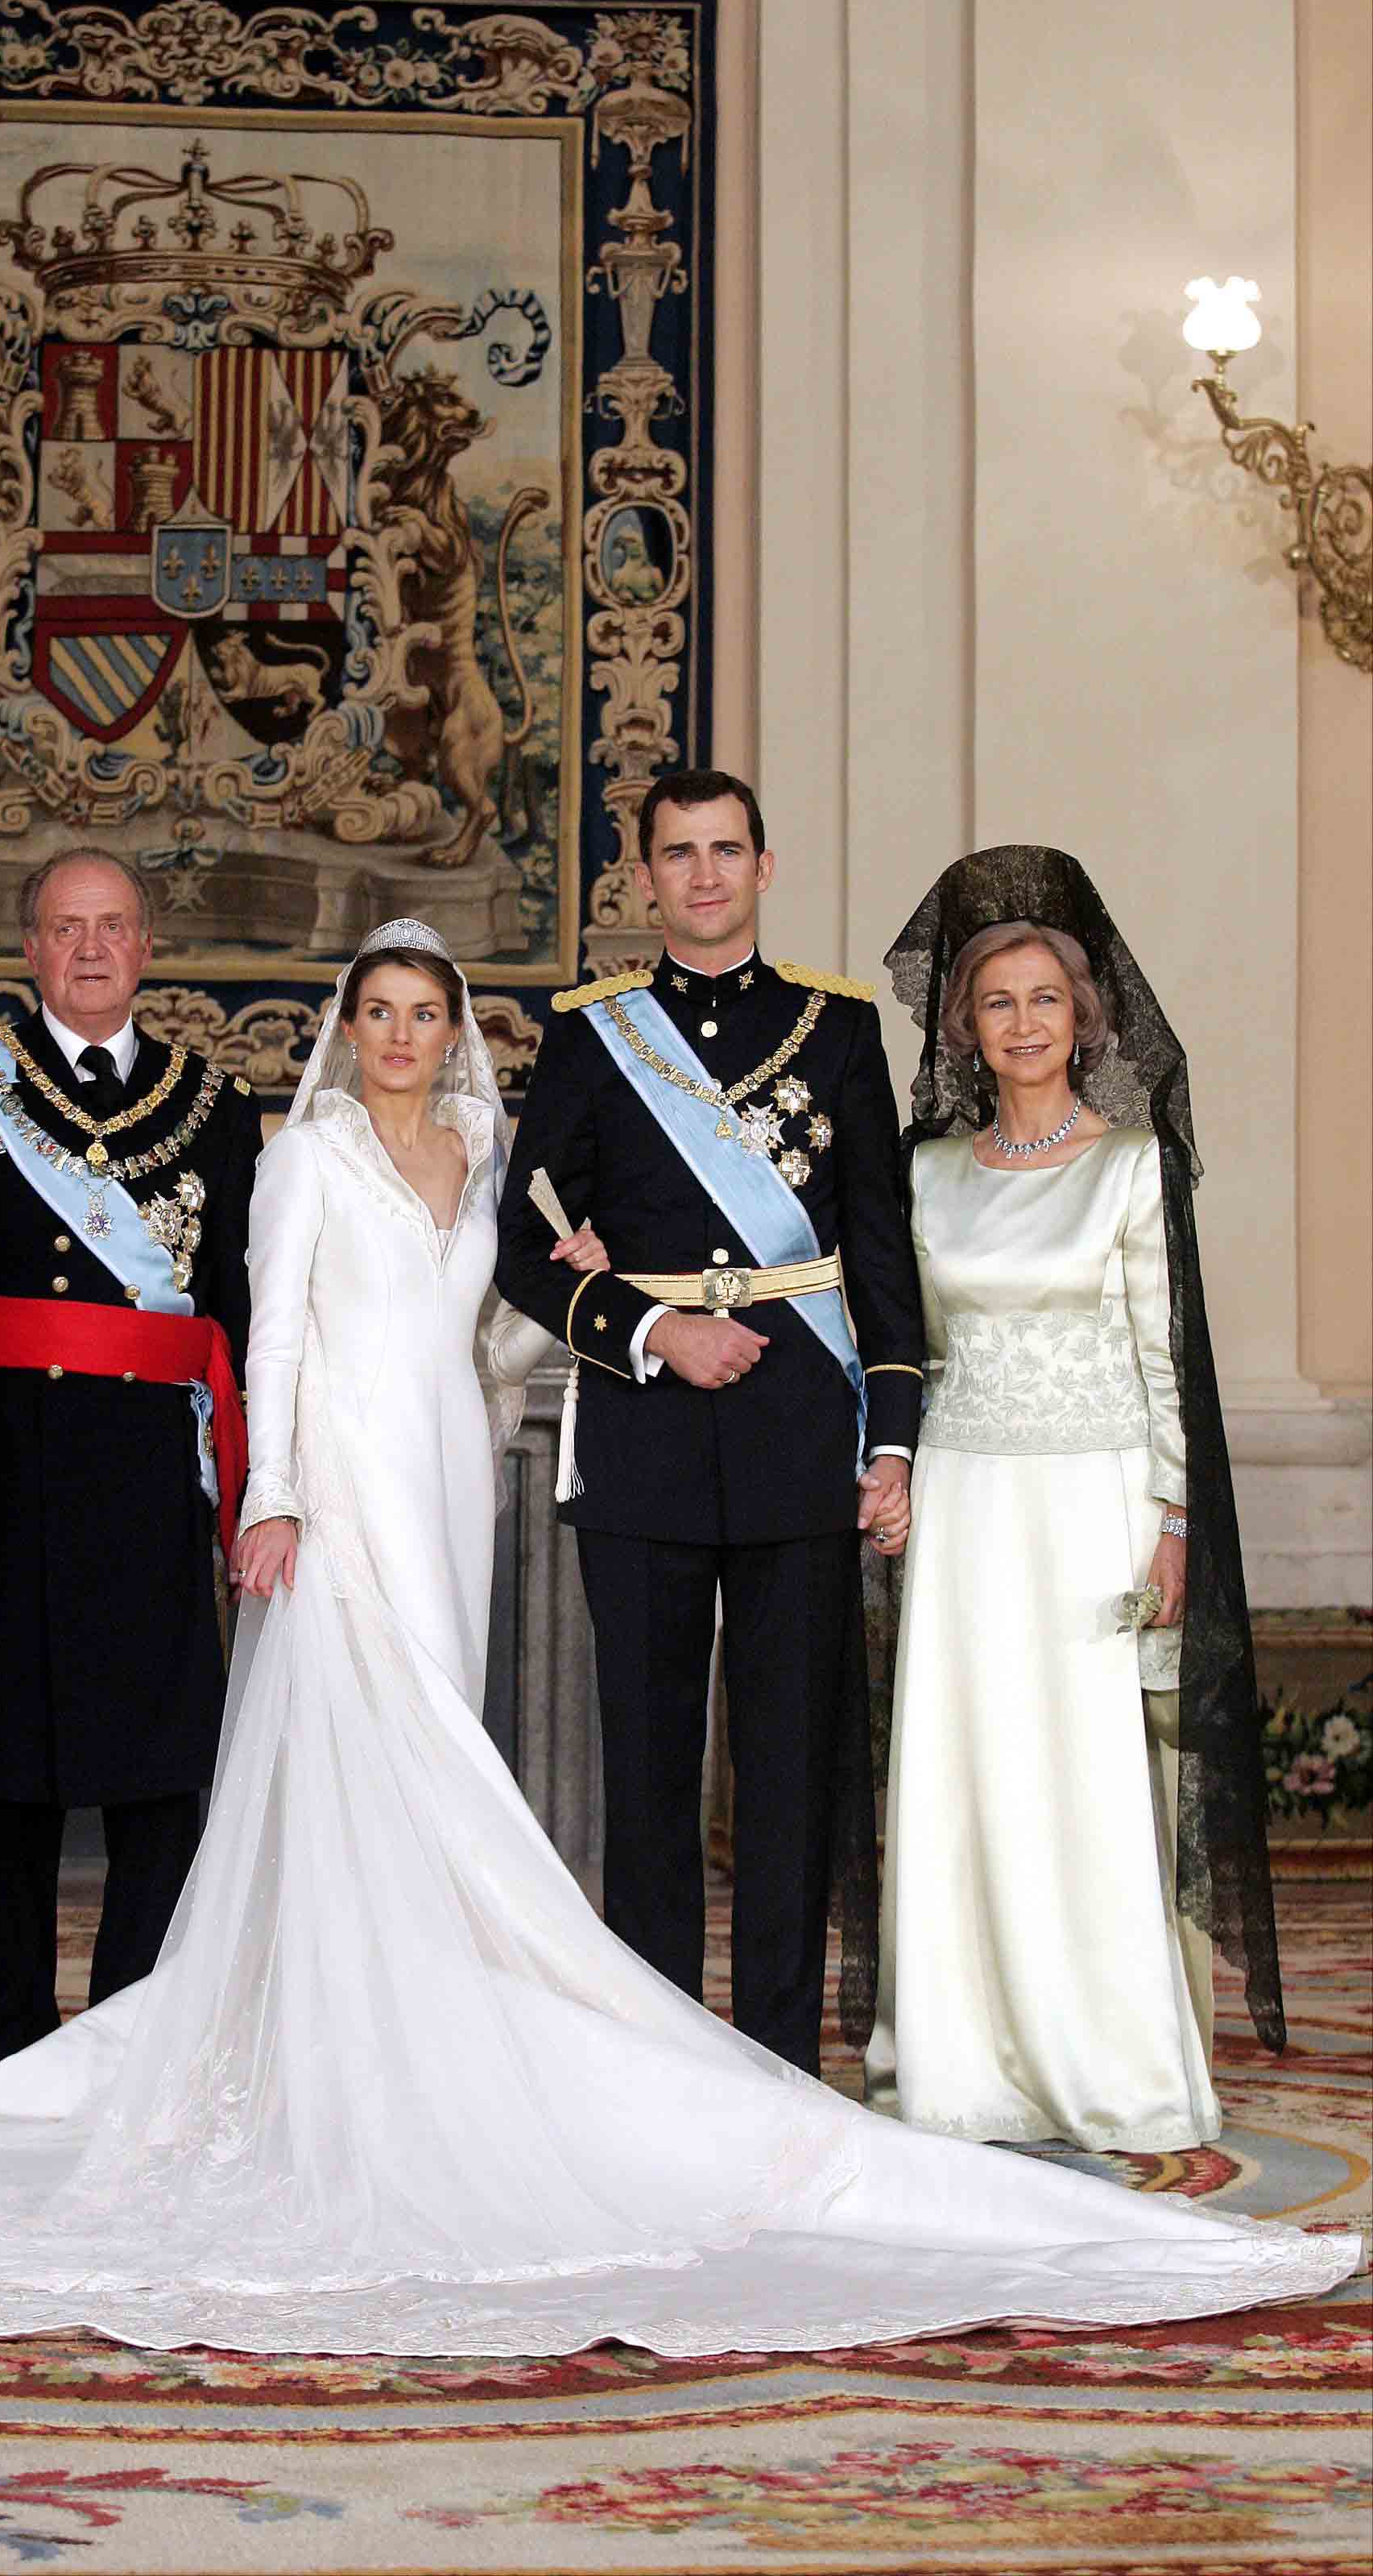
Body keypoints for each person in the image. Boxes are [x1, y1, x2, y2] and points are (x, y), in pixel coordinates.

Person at [0, 917, 1354, 2358]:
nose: (400, 1037)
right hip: (341, 1487)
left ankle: (419, 1991)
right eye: (376, 1013)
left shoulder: (482, 1144)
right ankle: (340, 2036)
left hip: (451, 1471)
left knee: (435, 1727)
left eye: (424, 1014)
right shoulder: (299, 1161)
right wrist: (275, 1493)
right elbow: (277, 1336)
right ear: (343, 1030)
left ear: (453, 1033)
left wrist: (667, 1335)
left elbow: (529, 1312)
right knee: (375, 1744)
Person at [494, 770, 922, 2073]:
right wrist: (652, 1332)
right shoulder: (590, 1033)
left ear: (765, 864)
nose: (705, 875)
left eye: (727, 850)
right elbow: (522, 1248)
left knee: (792, 1778)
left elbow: (882, 1255)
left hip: (802, 1433)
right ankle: (665, 2069)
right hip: (645, 1435)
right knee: (649, 1771)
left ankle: (782, 2069)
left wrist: (893, 1438)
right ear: (646, 878)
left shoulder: (839, 1031)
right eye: (678, 855)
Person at [867, 847, 1284, 2151]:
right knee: (966, 1771)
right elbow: (901, 1344)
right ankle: (963, 2054)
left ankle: (1108, 2055)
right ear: (966, 1031)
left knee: (1092, 1782)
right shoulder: (925, 1172)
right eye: (1000, 1002)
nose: (1027, 1021)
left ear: (1085, 1018)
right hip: (968, 1511)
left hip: (1097, 1509)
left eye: (1048, 997)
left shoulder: (1134, 1166)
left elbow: (1168, 1361)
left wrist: (1173, 1525)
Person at [0, 846, 260, 2071]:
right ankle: (15, 2067)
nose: (91, 949)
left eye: (114, 927)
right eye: (65, 927)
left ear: (147, 948)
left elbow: (239, 1319)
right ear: (29, 948)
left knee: (158, 1788)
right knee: (8, 1792)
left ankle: (122, 2066)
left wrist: (258, 1482)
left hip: (148, 1483)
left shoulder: (217, 1106)